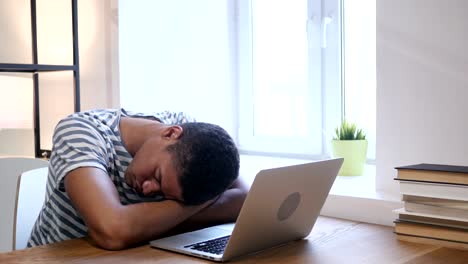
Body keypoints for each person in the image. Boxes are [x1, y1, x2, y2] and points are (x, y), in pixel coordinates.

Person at [28, 108, 247, 250]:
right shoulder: (82, 132)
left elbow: (244, 199)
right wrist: (200, 203)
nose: (149, 189)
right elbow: (112, 231)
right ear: (171, 134)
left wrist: (144, 226)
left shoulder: (194, 140)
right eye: (157, 176)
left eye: (167, 196)